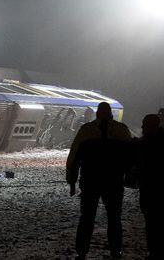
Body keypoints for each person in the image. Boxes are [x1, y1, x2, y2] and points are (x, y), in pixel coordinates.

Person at [66, 102, 132, 259]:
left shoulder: (86, 131)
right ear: (111, 114)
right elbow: (130, 157)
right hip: (114, 181)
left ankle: (82, 251)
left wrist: (72, 181)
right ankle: (115, 250)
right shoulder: (121, 131)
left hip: (90, 181)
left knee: (87, 218)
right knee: (114, 217)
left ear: (97, 114)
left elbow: (74, 157)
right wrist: (129, 177)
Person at [134, 114, 163, 259]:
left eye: (144, 125)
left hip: (148, 188)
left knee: (151, 222)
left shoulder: (142, 145)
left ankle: (153, 251)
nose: (142, 128)